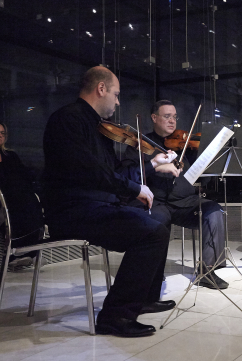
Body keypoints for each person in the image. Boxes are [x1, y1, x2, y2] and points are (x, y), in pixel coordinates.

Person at [42, 66, 178, 337]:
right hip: (72, 209)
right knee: (152, 233)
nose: (117, 101)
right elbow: (91, 173)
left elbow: (114, 174)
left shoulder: (99, 128)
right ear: (100, 89)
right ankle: (115, 317)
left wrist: (151, 164)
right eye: (116, 94)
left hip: (95, 205)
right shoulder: (68, 120)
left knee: (157, 221)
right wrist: (132, 189)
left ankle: (143, 299)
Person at [123, 100, 228, 290]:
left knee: (214, 211)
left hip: (185, 203)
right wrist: (156, 167)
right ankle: (154, 274)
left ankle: (208, 270)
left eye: (174, 117)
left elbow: (198, 179)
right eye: (167, 116)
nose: (172, 121)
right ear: (154, 118)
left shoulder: (184, 146)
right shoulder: (141, 144)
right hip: (157, 202)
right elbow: (129, 174)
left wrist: (207, 165)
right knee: (158, 218)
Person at [0, 121, 44, 250]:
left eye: (3, 133)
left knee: (30, 203)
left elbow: (23, 176)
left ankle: (30, 252)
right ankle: (16, 253)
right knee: (15, 207)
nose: (0, 135)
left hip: (11, 196)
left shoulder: (10, 156)